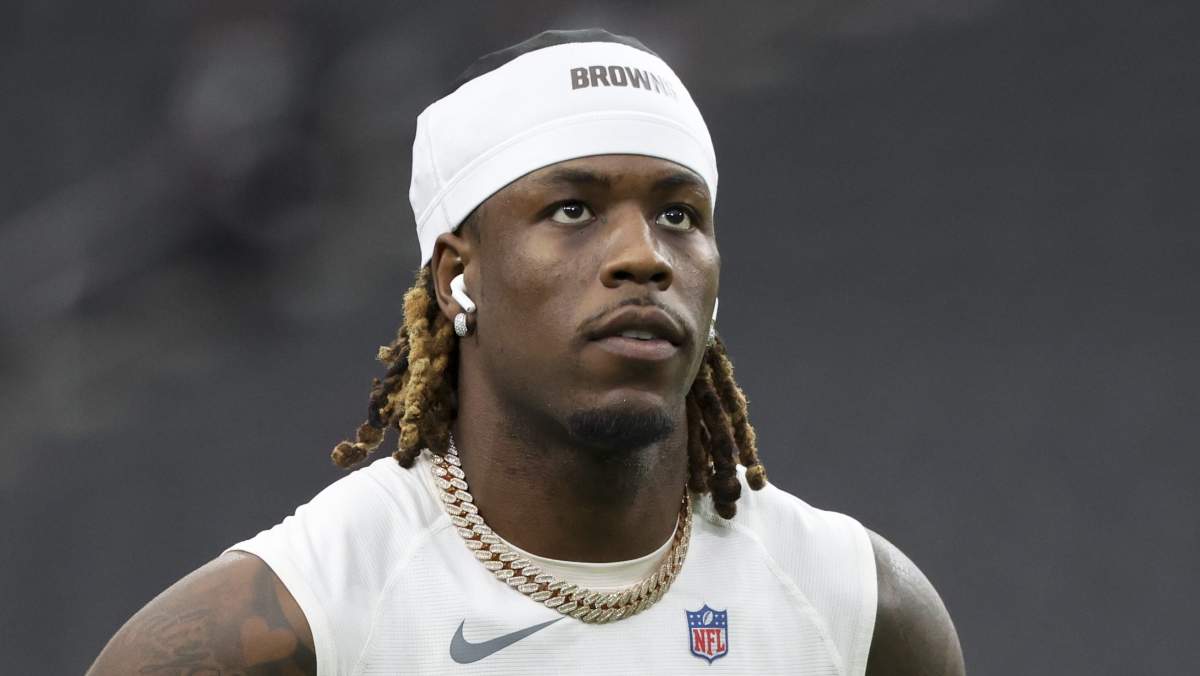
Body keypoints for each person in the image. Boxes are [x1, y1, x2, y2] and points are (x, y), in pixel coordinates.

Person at [89, 29, 964, 675]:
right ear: (456, 278)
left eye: (678, 215)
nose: (645, 257)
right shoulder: (285, 626)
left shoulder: (862, 614)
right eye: (573, 210)